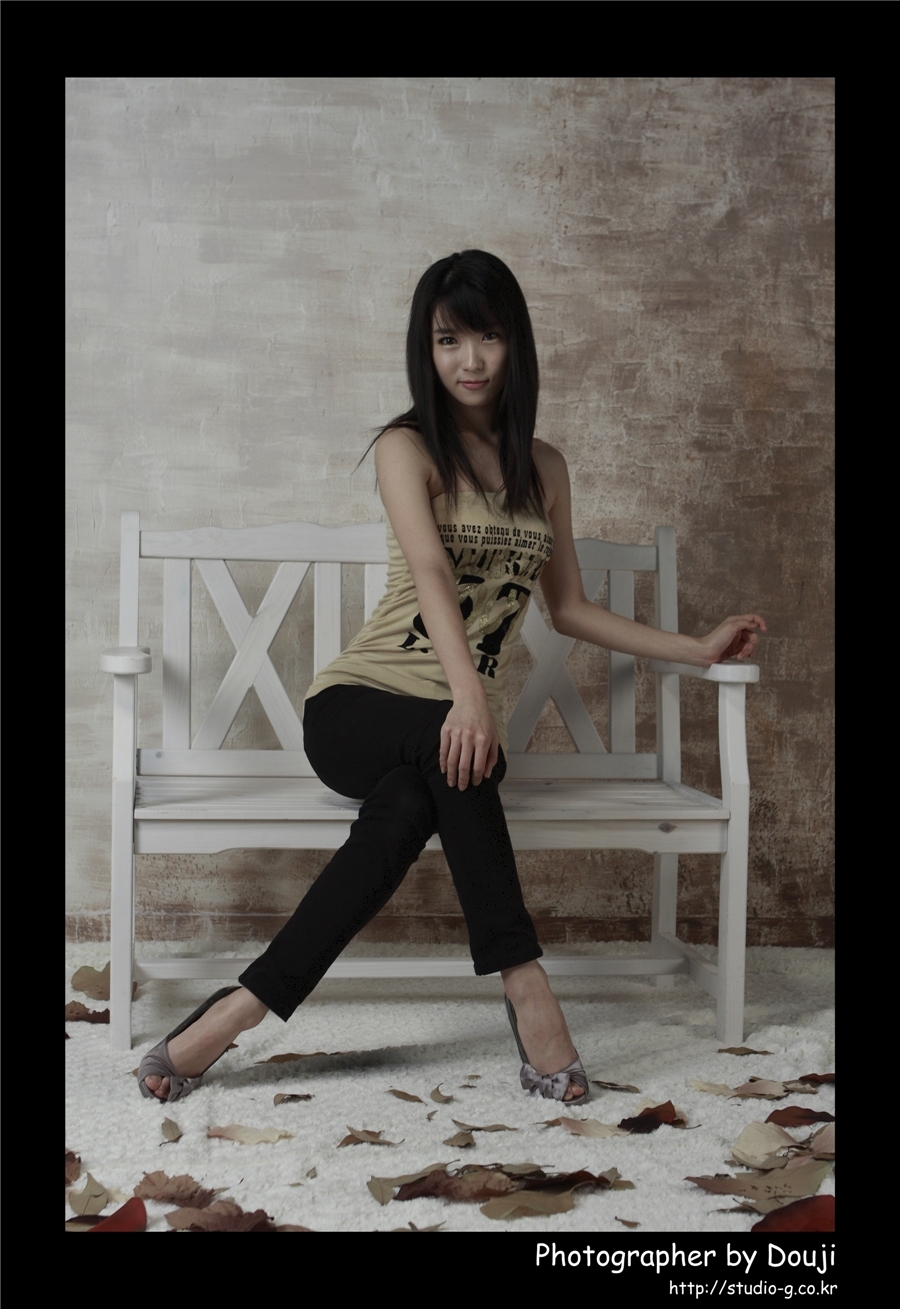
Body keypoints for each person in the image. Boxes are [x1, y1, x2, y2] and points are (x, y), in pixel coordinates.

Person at [138, 250, 765, 1105]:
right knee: (456, 752)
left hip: (447, 737)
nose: (469, 360)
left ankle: (241, 1007)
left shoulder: (545, 468)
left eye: (487, 337)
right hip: (358, 708)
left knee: (410, 803)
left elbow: (569, 607)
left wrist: (696, 647)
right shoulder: (408, 448)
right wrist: (470, 697)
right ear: (426, 350)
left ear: (516, 344)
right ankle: (528, 988)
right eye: (447, 340)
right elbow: (431, 570)